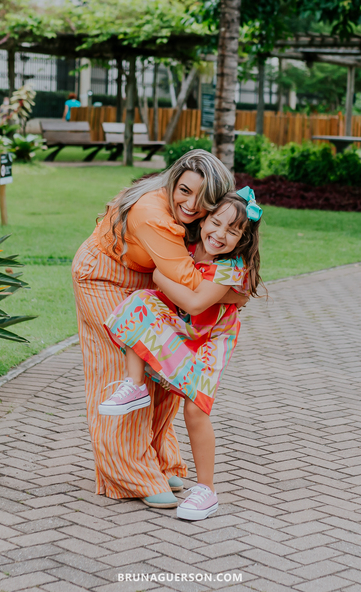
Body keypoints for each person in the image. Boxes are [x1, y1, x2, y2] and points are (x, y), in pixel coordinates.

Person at [72, 150, 237, 508]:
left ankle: (159, 460)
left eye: (203, 197)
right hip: (104, 277)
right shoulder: (152, 214)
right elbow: (191, 283)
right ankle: (131, 473)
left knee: (164, 370)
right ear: (173, 181)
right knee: (123, 371)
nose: (192, 204)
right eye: (184, 190)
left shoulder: (185, 214)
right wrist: (232, 291)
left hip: (148, 281)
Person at [99, 188, 263, 521]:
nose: (220, 235)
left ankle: (206, 491)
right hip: (182, 328)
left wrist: (160, 275)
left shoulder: (232, 268)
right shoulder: (185, 245)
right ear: (205, 219)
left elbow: (195, 303)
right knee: (141, 303)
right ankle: (135, 386)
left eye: (233, 231)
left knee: (195, 409)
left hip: (211, 339)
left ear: (243, 240)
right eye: (217, 223)